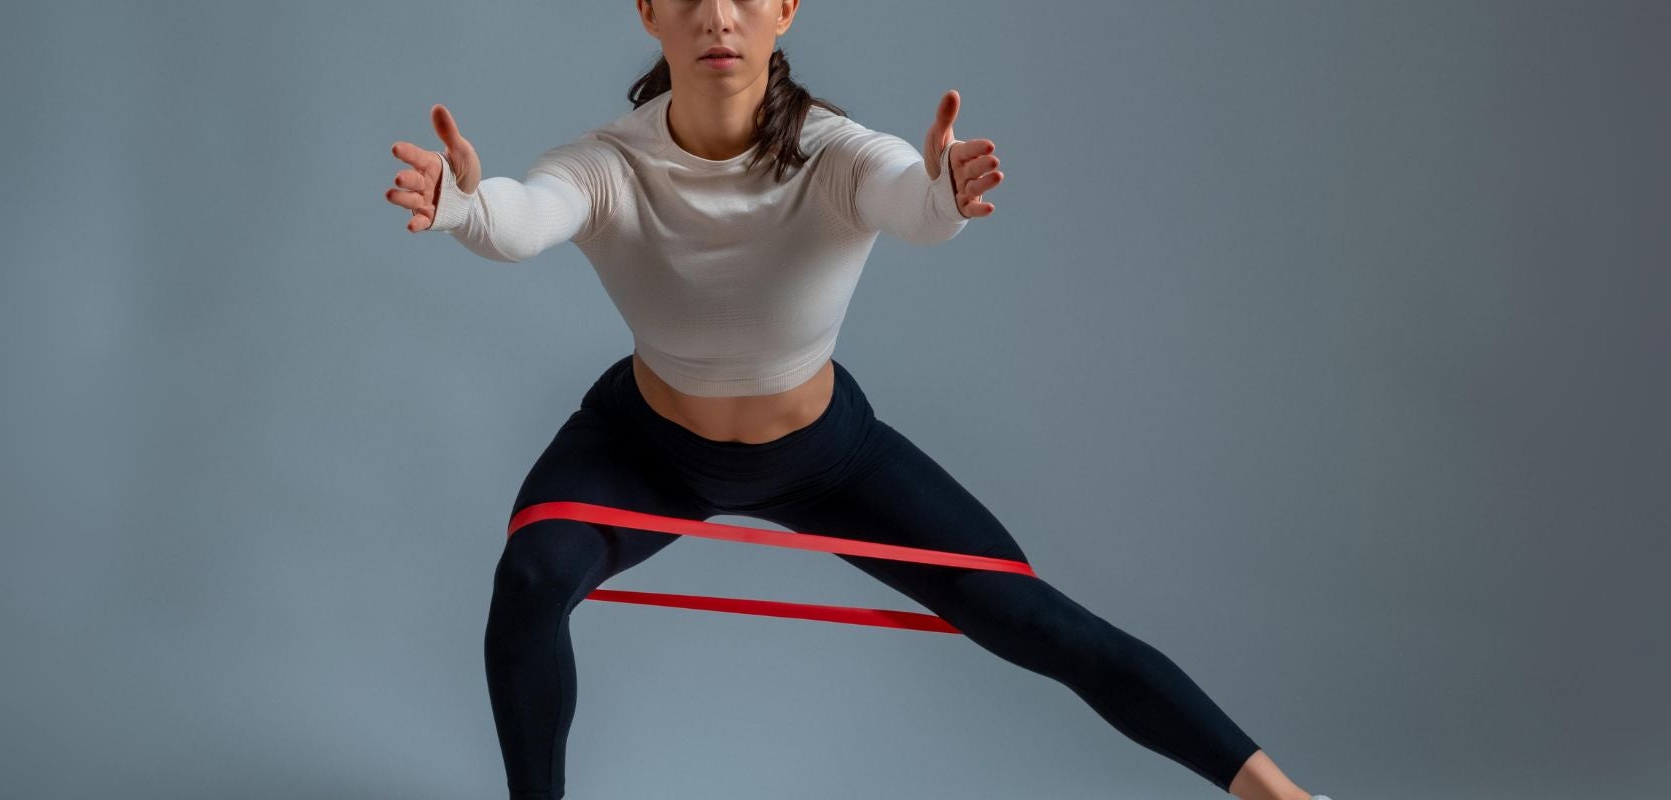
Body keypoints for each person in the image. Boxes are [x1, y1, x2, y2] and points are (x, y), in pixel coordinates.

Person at [385, 2, 1327, 798]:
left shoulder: (836, 154)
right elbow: (523, 216)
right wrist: (465, 206)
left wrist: (945, 195)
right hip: (644, 449)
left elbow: (910, 202)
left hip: (825, 457)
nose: (719, 15)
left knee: (1035, 620)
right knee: (532, 579)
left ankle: (1284, 796)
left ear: (786, 7)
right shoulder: (606, 164)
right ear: (649, 11)